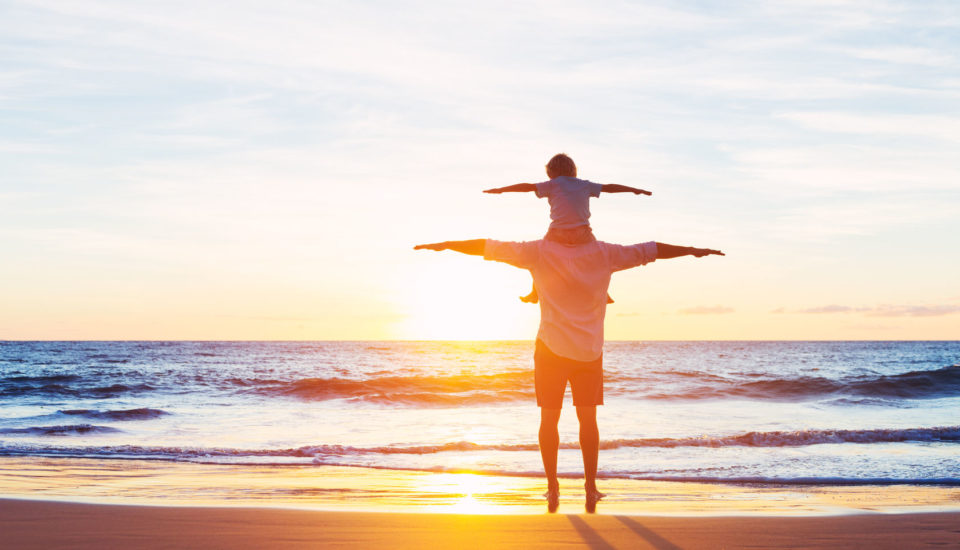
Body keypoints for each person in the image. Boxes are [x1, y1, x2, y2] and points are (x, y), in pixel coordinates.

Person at [414, 237, 723, 512]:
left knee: (562, 419)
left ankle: (564, 486)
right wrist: (693, 251)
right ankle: (574, 487)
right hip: (580, 351)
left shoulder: (548, 254)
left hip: (563, 350)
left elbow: (487, 246)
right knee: (574, 420)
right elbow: (651, 250)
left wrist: (445, 245)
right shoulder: (593, 254)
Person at [483, 153, 651, 304]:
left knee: (535, 258)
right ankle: (604, 293)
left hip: (557, 233)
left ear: (550, 173)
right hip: (582, 233)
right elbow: (610, 187)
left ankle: (535, 293)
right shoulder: (585, 185)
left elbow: (526, 187)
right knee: (602, 259)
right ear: (573, 170)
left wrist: (501, 190)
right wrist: (635, 190)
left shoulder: (552, 184)